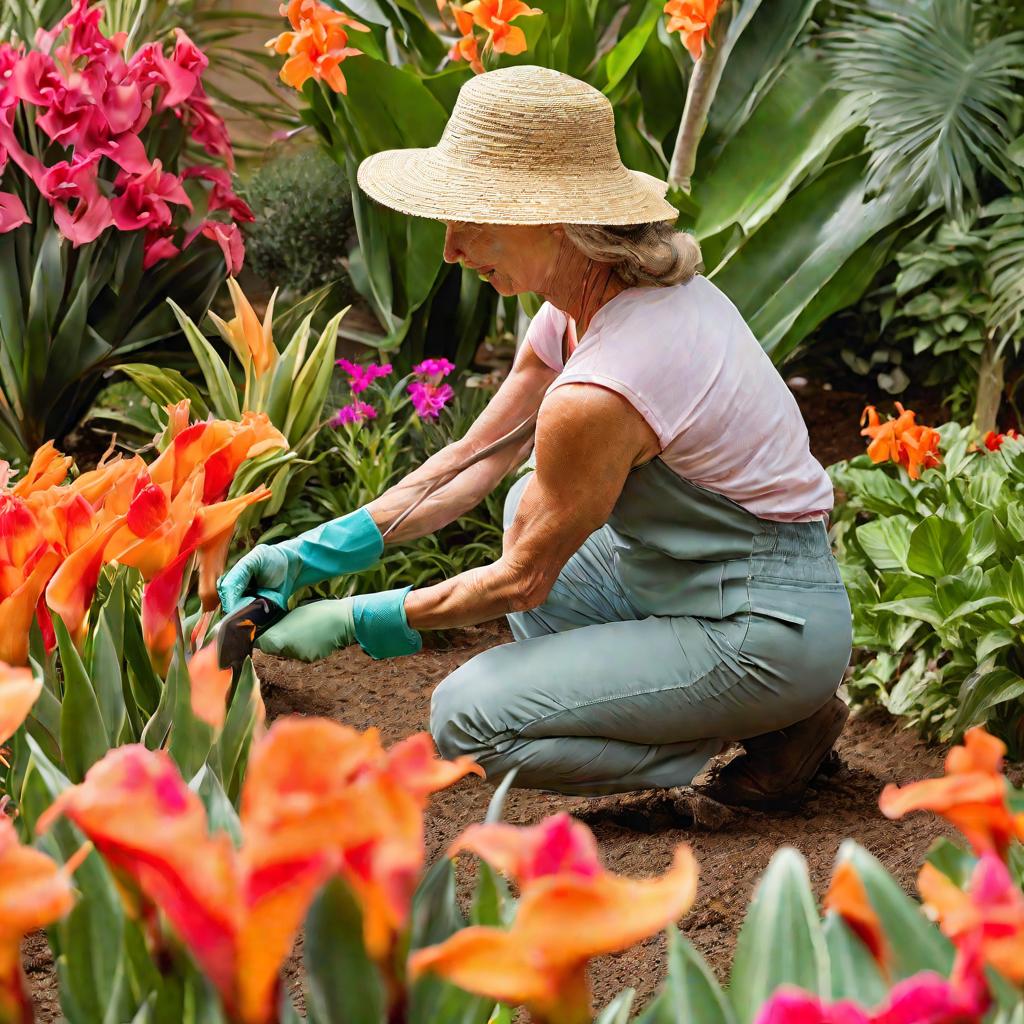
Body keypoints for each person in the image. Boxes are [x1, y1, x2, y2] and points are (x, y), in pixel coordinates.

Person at [218, 65, 853, 808]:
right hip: (697, 581)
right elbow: (470, 462)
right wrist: (312, 554)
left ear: (550, 219)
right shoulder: (582, 306)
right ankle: (760, 709)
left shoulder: (605, 382)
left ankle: (765, 723)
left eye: (472, 220)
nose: (451, 248)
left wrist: (361, 617)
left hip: (764, 624)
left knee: (468, 720)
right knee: (526, 499)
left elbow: (524, 580)